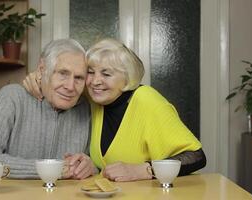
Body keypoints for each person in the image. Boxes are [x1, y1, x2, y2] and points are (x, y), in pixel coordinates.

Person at [23, 38, 206, 182]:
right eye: (91, 72)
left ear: (127, 79)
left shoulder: (147, 100)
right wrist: (38, 78)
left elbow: (196, 156)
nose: (95, 81)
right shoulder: (94, 98)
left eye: (106, 74)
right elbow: (61, 81)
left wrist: (144, 170)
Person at [0, 39, 96, 179]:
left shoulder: (86, 108)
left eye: (79, 78)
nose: (70, 86)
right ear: (41, 70)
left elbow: (93, 162)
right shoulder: (12, 97)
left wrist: (91, 167)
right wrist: (48, 170)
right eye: (63, 73)